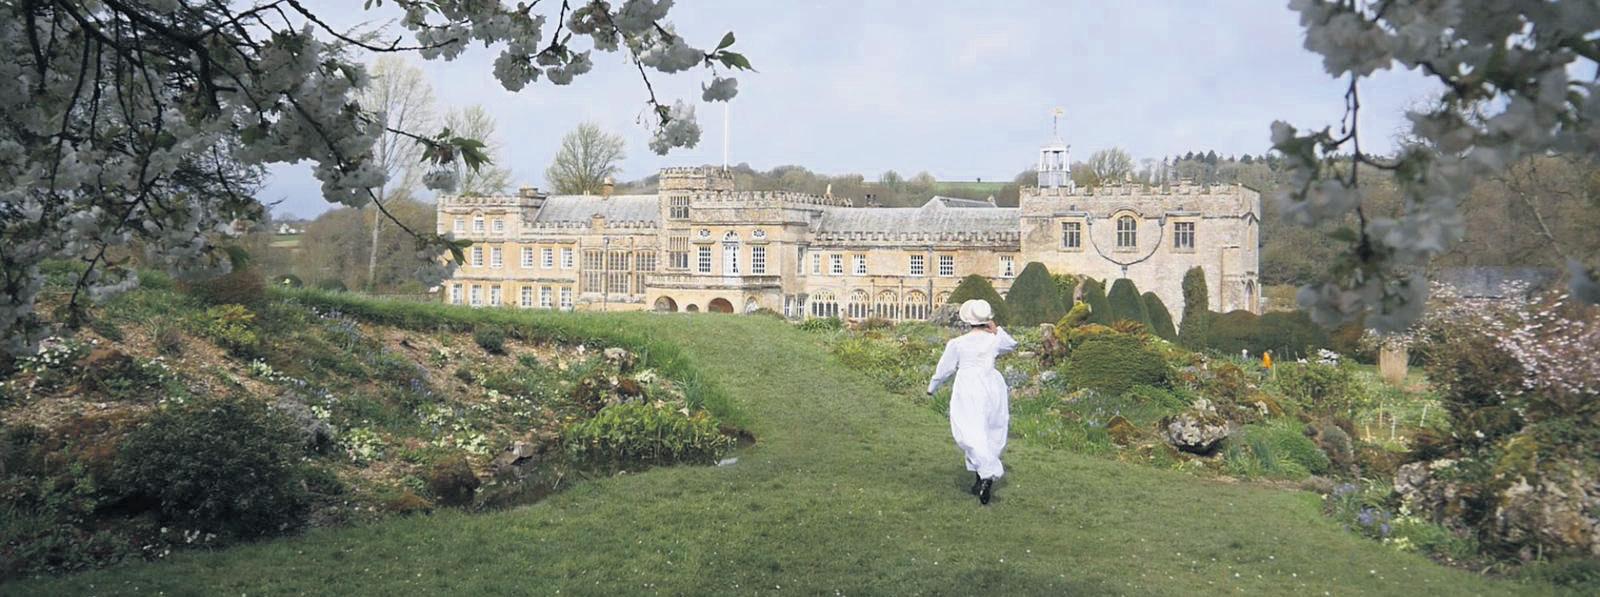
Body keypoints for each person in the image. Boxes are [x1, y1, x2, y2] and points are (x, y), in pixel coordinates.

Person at [926, 299, 1017, 505]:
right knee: (991, 430)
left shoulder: (958, 343)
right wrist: (995, 328)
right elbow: (1011, 344)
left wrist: (932, 386)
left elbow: (945, 369)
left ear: (968, 321)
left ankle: (986, 474)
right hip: (992, 385)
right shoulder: (994, 340)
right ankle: (982, 478)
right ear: (986, 320)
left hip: (969, 386)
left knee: (970, 430)